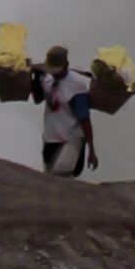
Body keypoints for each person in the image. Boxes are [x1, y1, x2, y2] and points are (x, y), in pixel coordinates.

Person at [32, 44, 95, 179]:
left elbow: (84, 119)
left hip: (71, 138)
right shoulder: (46, 78)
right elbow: (37, 99)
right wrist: (36, 79)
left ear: (66, 65)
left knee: (60, 175)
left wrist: (91, 151)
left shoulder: (76, 86)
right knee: (48, 179)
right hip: (50, 137)